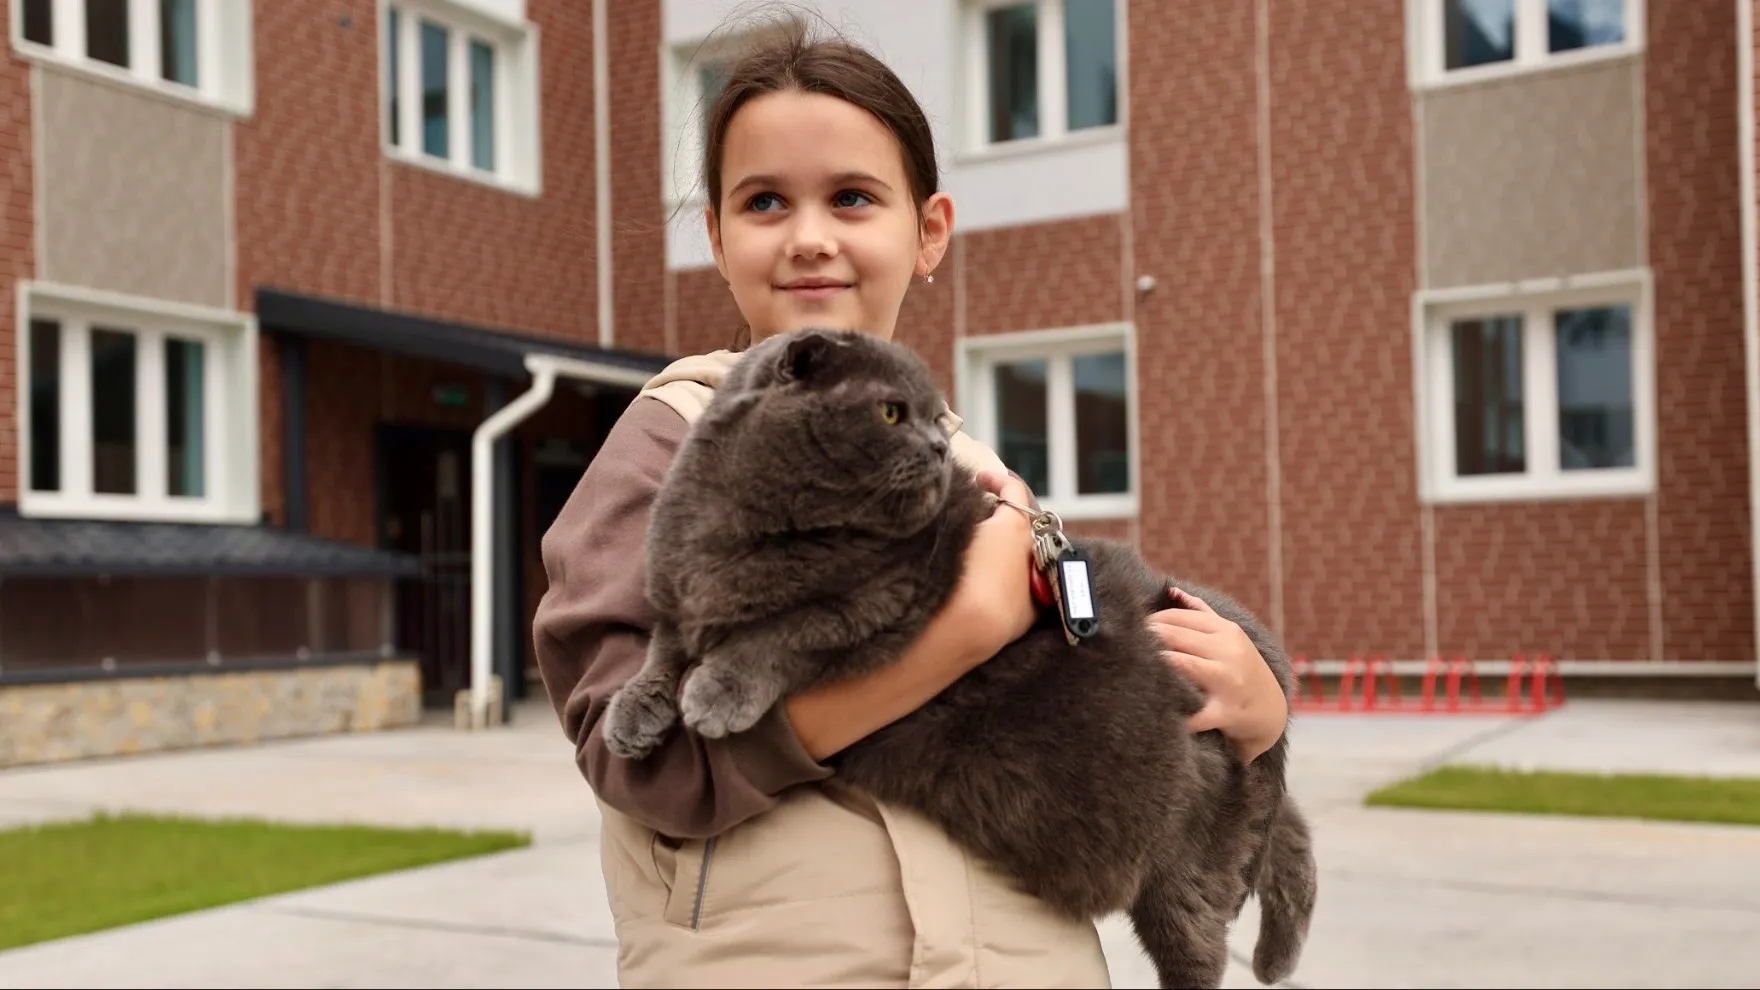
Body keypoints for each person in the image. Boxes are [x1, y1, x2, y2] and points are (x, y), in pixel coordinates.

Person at [533, 15, 1289, 988]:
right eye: (765, 202)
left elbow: (1091, 718)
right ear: (716, 237)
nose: (809, 238)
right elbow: (640, 755)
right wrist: (963, 628)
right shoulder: (673, 440)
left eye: (851, 197)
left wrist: (1244, 715)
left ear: (927, 232)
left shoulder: (967, 466)